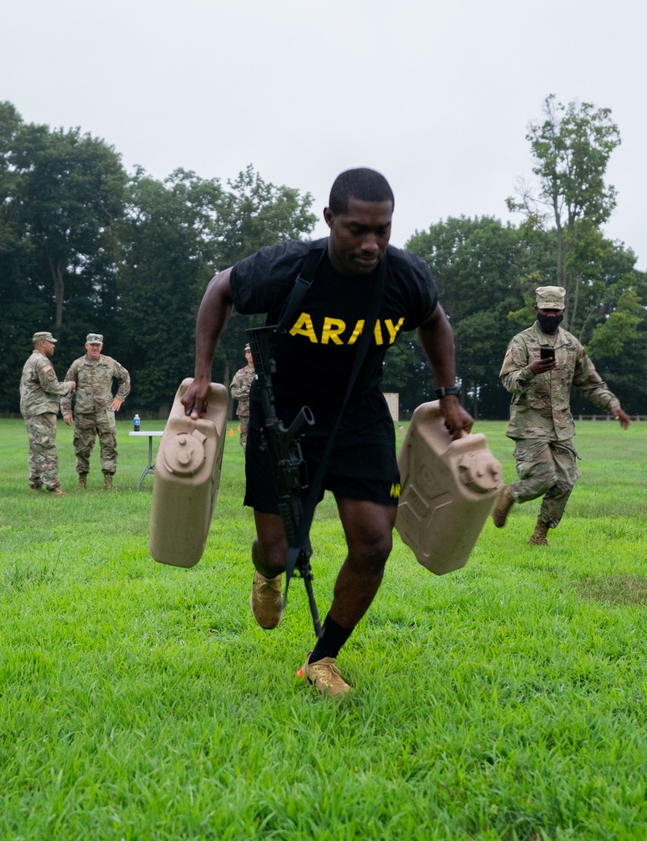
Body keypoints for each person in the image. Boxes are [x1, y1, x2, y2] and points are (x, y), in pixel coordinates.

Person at [183, 168, 472, 696]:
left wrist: (448, 392)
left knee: (374, 543)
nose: (372, 243)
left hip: (358, 415)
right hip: (283, 414)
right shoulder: (290, 266)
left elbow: (435, 321)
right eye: (357, 229)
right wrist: (203, 374)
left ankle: (322, 657)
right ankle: (268, 573)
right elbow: (218, 289)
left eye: (382, 230)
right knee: (278, 551)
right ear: (329, 219)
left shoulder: (404, 276)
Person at [492, 286, 632, 545]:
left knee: (566, 480)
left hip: (562, 426)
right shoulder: (521, 342)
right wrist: (530, 370)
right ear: (537, 310)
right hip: (530, 423)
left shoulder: (571, 345)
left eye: (555, 311)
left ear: (563, 312)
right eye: (546, 310)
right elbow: (508, 381)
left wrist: (613, 405)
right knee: (543, 478)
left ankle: (539, 535)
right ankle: (510, 494)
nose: (551, 315)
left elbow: (591, 383)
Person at [60, 333, 131, 490]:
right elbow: (67, 388)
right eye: (92, 344)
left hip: (105, 412)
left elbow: (125, 377)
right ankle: (82, 480)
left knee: (109, 445)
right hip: (83, 413)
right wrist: (66, 411)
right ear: (86, 346)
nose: (95, 347)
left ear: (102, 346)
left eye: (98, 345)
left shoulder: (110, 363)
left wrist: (120, 397)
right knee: (82, 447)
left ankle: (108, 480)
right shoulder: (77, 365)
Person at [20, 331, 75, 495]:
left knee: (35, 447)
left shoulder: (31, 360)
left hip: (31, 410)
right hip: (41, 409)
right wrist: (69, 385)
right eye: (51, 342)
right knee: (46, 446)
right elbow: (51, 386)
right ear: (42, 343)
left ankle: (35, 483)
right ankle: (53, 486)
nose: (53, 345)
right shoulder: (42, 362)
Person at [229, 344, 255, 449]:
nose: (250, 354)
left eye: (252, 352)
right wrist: (252, 392)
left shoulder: (262, 372)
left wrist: (246, 391)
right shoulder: (240, 374)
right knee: (246, 440)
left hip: (261, 411)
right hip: (245, 413)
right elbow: (234, 393)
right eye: (248, 352)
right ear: (245, 355)